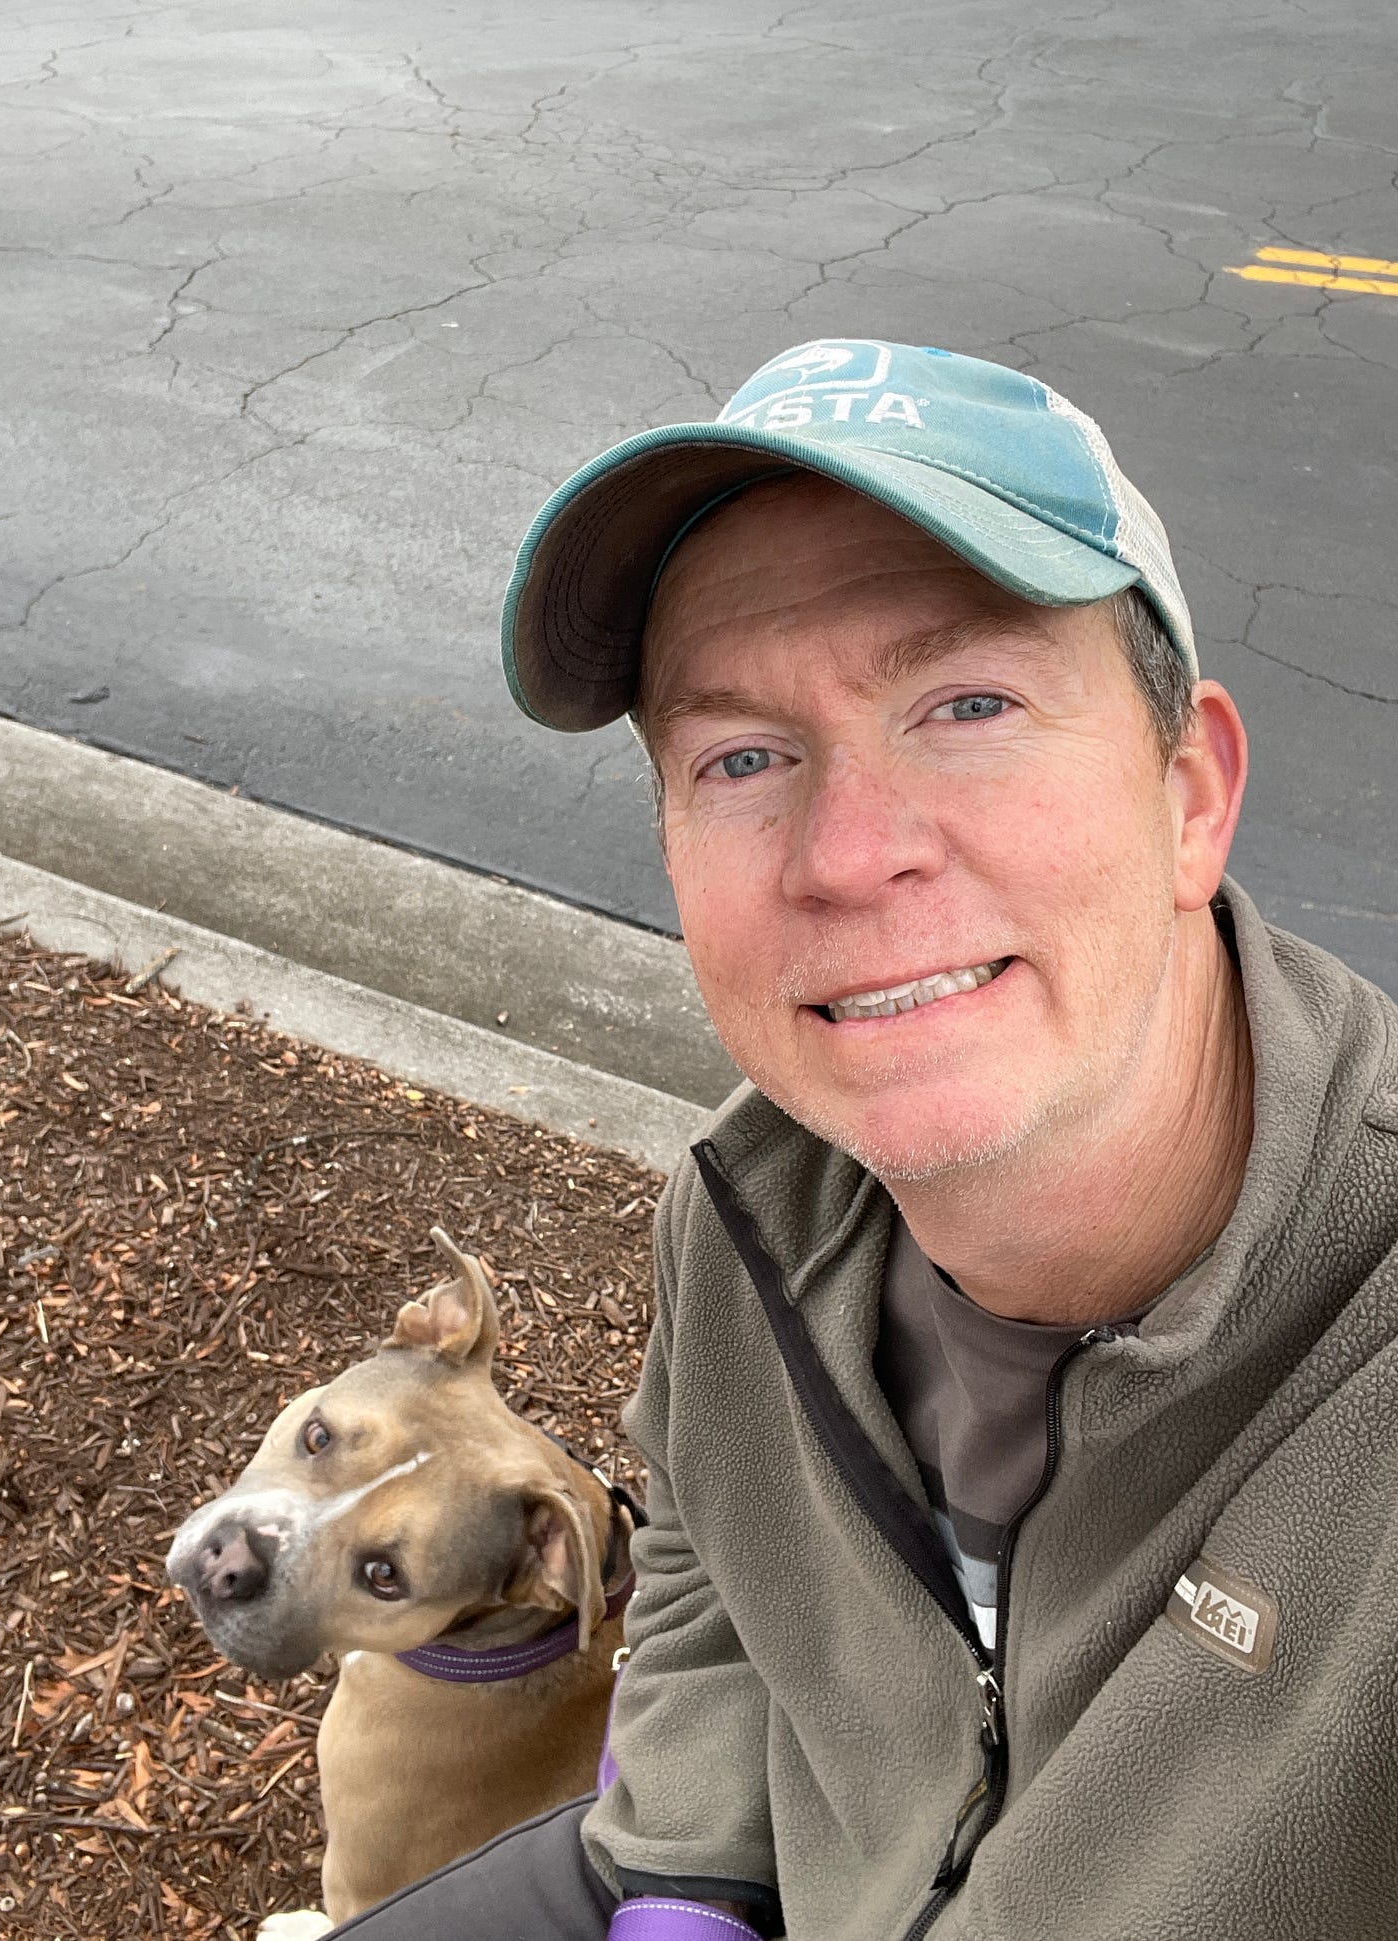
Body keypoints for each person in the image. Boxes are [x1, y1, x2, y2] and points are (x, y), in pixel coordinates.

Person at [341, 341, 1398, 1939]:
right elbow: (708, 1554)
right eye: (742, 757)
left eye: (967, 704)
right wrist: (690, 1881)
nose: (845, 853)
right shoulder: (754, 1209)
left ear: (1190, 794)